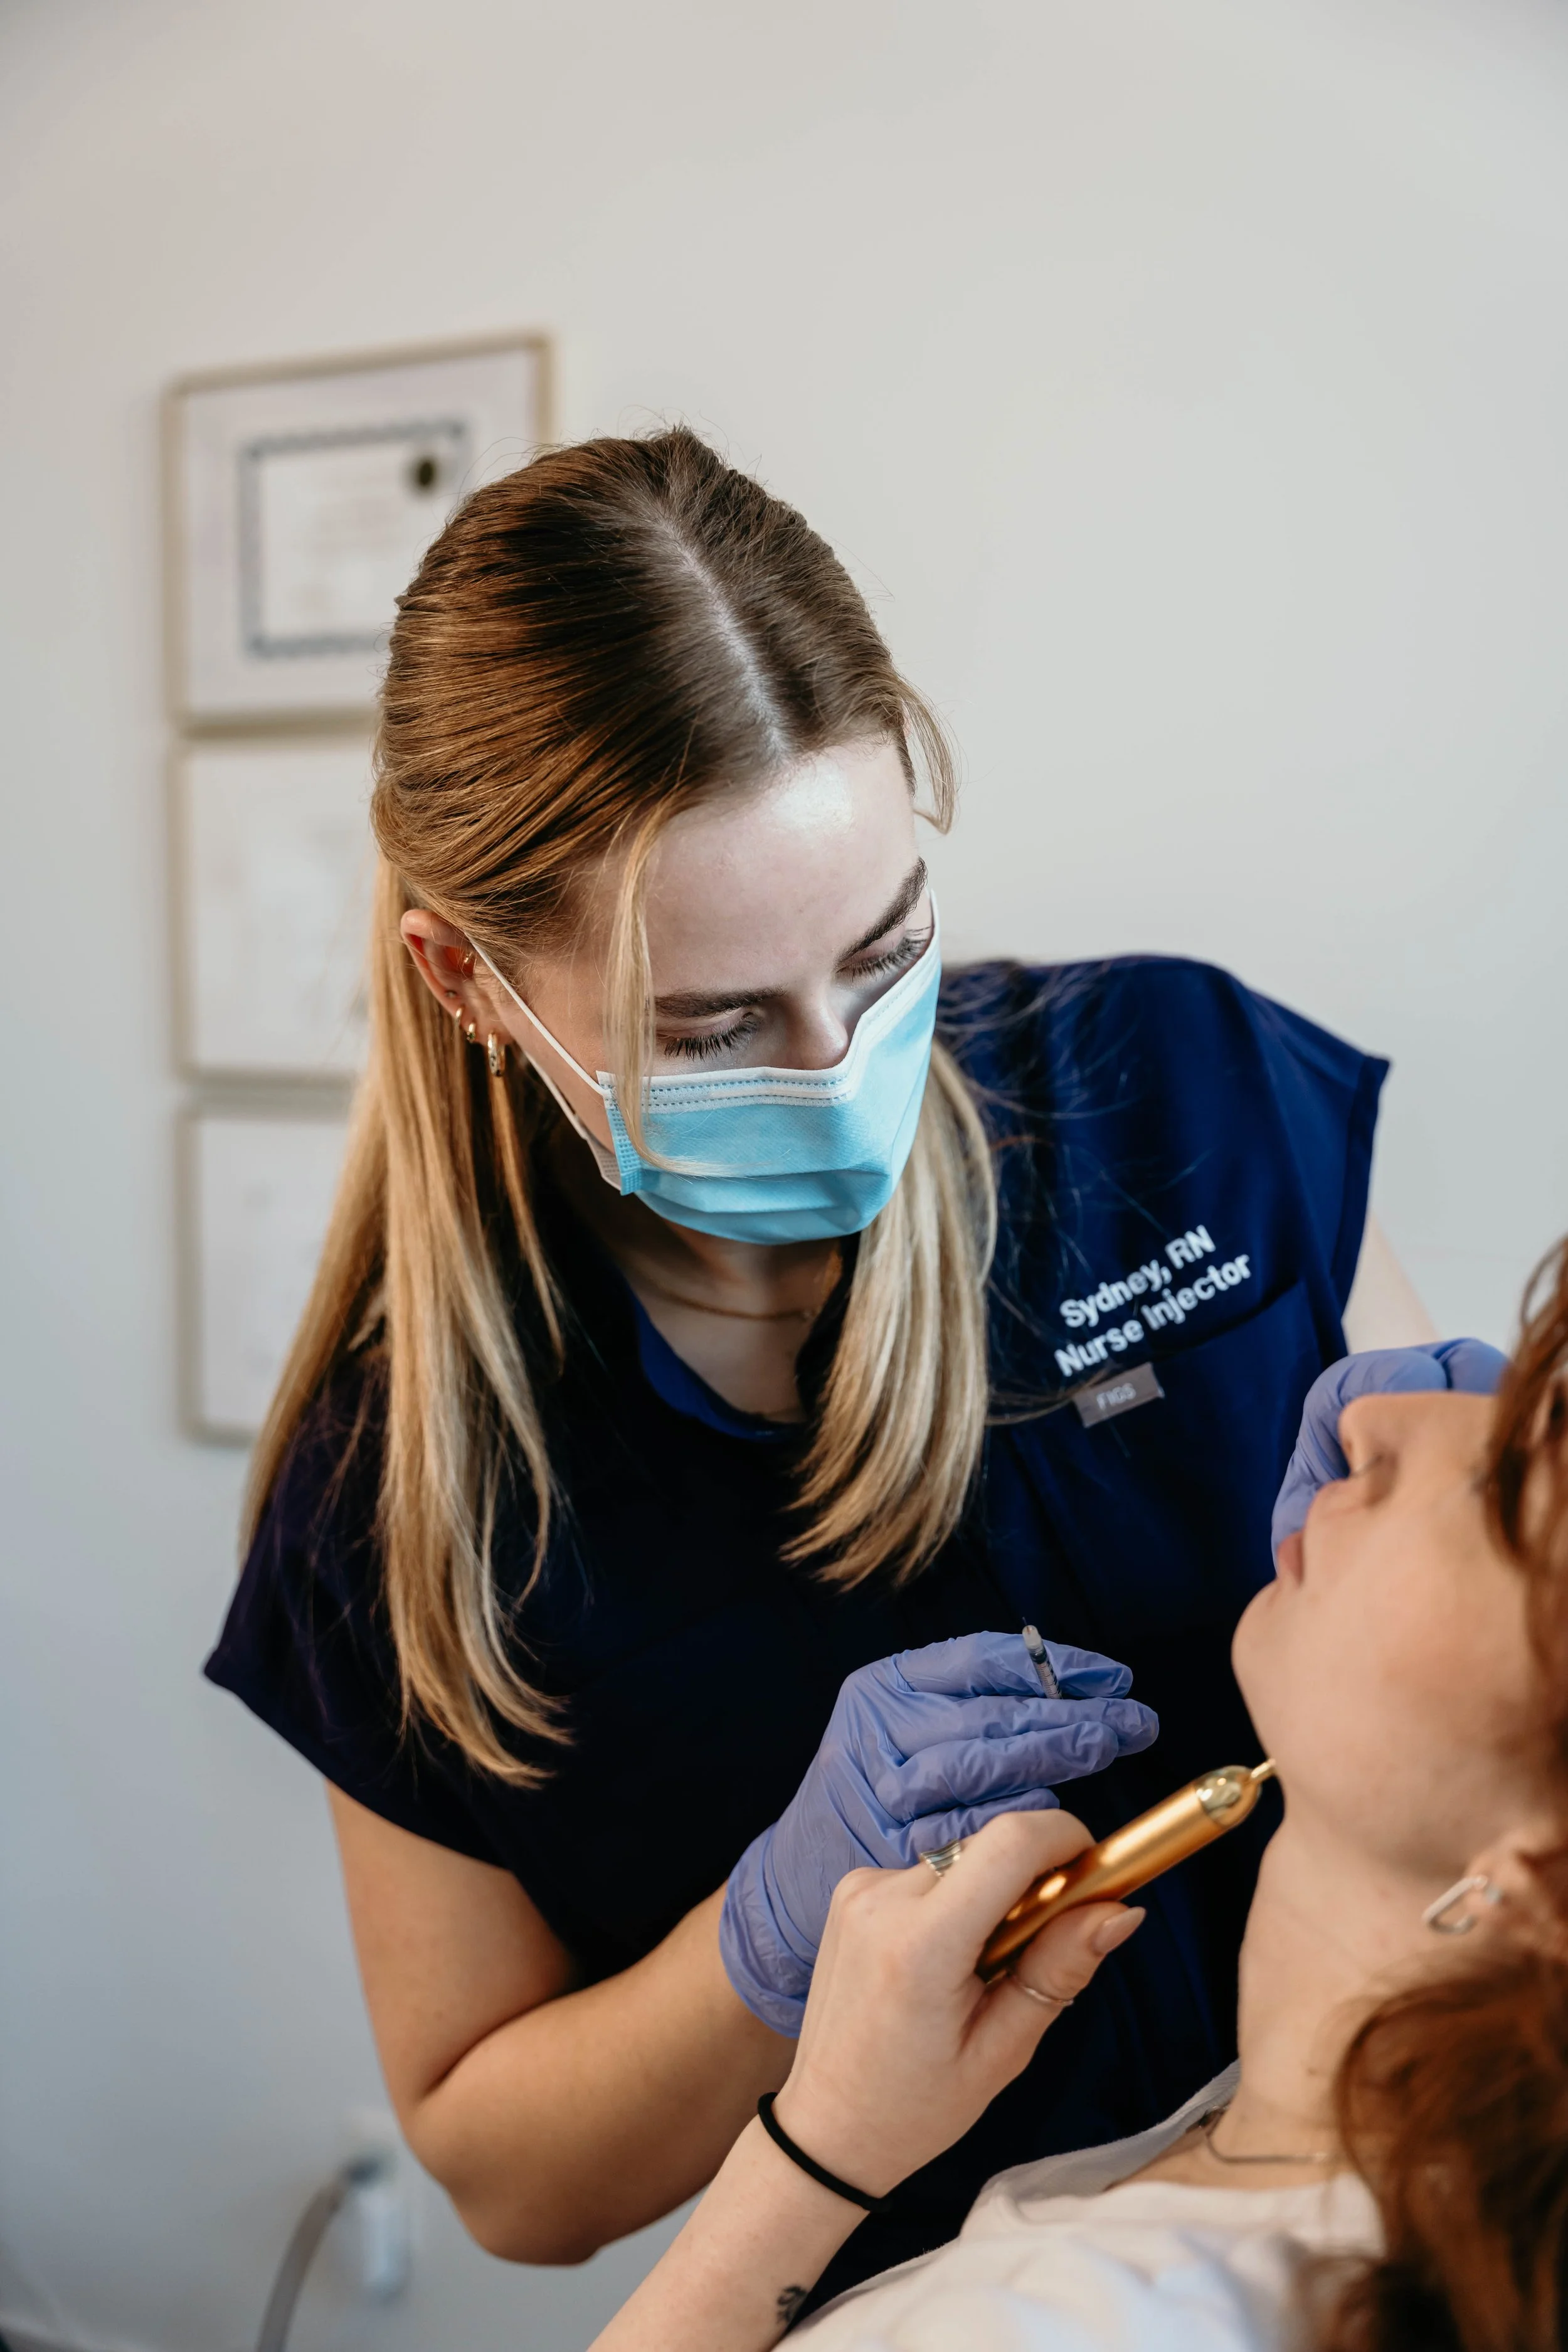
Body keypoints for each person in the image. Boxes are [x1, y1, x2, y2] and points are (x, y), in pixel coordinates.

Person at [205, 428, 1446, 2295]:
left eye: (885, 950)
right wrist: (758, 1938)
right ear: (466, 981)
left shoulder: (1176, 1096)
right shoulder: (400, 1499)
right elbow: (512, 2179)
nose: (839, 1055)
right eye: (711, 1026)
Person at [591, 1244, 1568, 2352]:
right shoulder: (1324, 2158)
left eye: (1506, 1487)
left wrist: (820, 2151)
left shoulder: (1069, 2326)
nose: (1375, 1422)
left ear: (1536, 1872)